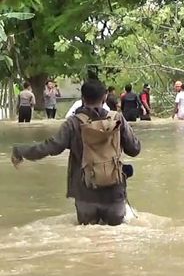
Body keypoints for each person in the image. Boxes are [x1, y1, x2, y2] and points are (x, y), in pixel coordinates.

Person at [11, 79, 141, 226]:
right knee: (114, 238)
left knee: (87, 237)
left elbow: (50, 147)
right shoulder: (117, 120)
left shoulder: (73, 123)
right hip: (114, 193)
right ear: (104, 97)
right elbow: (135, 149)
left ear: (82, 98)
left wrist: (21, 150)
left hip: (85, 194)